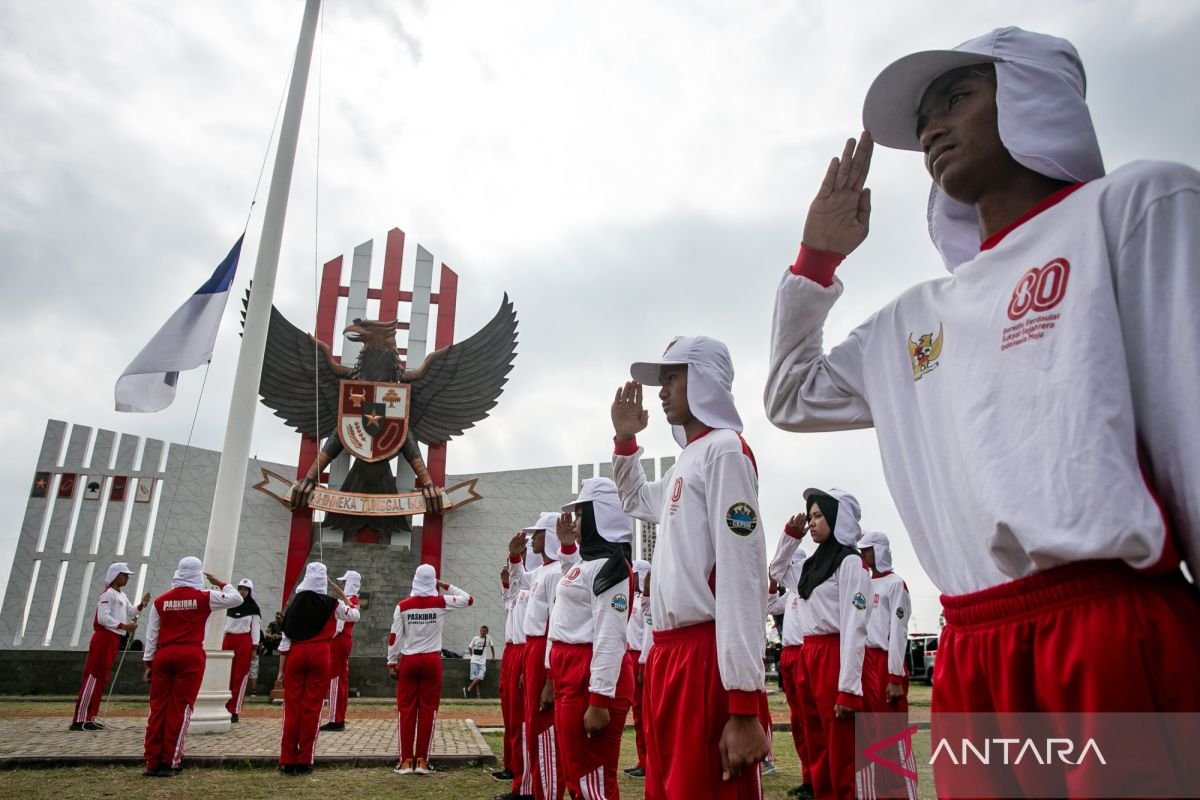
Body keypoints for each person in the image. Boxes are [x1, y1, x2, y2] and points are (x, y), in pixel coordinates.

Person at [764, 25, 1200, 797]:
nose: (930, 128)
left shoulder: (1137, 207)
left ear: (1035, 98)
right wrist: (816, 260)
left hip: (1105, 635)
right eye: (924, 115)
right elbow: (791, 396)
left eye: (957, 97)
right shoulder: (914, 318)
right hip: (972, 658)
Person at [610, 335, 770, 799]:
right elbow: (637, 499)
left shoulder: (725, 451)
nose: (661, 391)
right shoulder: (688, 460)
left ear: (703, 379)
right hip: (667, 656)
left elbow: (743, 575)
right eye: (661, 380)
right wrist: (625, 440)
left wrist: (743, 704)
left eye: (671, 377)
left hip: (704, 659)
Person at [548, 478, 635, 800]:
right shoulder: (589, 565)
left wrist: (599, 701)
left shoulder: (613, 568)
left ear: (602, 517)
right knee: (576, 770)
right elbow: (576, 591)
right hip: (570, 672)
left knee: (592, 778)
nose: (577, 523)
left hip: (590, 675)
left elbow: (611, 635)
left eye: (583, 516)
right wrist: (568, 546)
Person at [783, 490, 869, 800]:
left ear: (837, 518)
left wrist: (849, 687)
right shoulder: (812, 565)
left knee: (840, 746)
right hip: (809, 654)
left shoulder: (850, 564)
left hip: (834, 654)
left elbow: (855, 626)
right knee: (816, 739)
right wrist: (791, 536)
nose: (813, 522)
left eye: (819, 516)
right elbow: (778, 571)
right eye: (811, 515)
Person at [141, 557, 241, 777]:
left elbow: (151, 636)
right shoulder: (204, 597)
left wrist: (148, 663)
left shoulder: (160, 601)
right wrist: (221, 582)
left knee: (158, 708)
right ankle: (171, 760)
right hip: (190, 653)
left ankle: (152, 761)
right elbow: (236, 599)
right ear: (197, 574)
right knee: (181, 707)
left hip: (163, 653)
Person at [387, 563, 473, 776]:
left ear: (415, 580)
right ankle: (423, 761)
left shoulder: (403, 606)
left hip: (408, 660)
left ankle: (406, 761)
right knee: (428, 711)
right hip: (432, 660)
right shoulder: (440, 602)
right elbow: (468, 599)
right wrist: (444, 585)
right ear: (433, 581)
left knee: (406, 711)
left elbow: (394, 637)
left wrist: (391, 662)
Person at [277, 562, 360, 775]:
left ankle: (287, 760)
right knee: (312, 707)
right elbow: (355, 615)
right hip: (321, 653)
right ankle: (305, 760)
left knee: (292, 707)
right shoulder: (332, 604)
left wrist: (280, 670)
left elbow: (285, 641)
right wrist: (342, 595)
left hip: (296, 654)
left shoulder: (294, 604)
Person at [857, 531, 914, 799]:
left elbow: (899, 631)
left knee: (891, 735)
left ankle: (901, 793)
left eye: (866, 550)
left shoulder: (896, 584)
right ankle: (878, 792)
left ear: (878, 550)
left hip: (886, 664)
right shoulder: (864, 584)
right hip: (865, 663)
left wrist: (894, 676)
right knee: (870, 733)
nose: (863, 556)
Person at [512, 512, 565, 800]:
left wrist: (548, 677)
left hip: (544, 645)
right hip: (531, 647)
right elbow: (520, 581)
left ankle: (548, 791)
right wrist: (514, 556)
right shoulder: (543, 570)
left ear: (551, 536)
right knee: (531, 723)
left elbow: (556, 622)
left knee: (544, 727)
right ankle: (533, 788)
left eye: (538, 534)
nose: (532, 539)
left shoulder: (557, 571)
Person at [71, 562, 148, 731]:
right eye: (124, 575)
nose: (127, 578)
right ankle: (80, 718)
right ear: (115, 576)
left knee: (102, 677)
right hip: (104, 637)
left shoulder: (121, 595)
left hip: (114, 638)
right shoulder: (107, 595)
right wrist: (124, 626)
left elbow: (131, 611)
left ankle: (90, 716)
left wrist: (142, 604)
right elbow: (103, 619)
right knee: (93, 676)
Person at [767, 531, 812, 799]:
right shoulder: (793, 596)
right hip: (790, 656)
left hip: (808, 654)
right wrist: (773, 584)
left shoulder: (810, 590)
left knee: (811, 719)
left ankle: (818, 778)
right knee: (799, 721)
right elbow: (771, 605)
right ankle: (808, 776)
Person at [322, 570, 362, 732]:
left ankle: (335, 718)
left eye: (345, 582)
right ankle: (338, 716)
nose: (343, 585)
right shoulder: (354, 600)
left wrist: (326, 638)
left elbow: (338, 627)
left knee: (335, 679)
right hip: (344, 640)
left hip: (338, 640)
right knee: (340, 679)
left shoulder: (349, 601)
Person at [623, 558, 652, 779]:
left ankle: (648, 761)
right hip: (629, 656)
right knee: (637, 713)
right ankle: (642, 759)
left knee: (644, 713)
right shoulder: (631, 600)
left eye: (634, 574)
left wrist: (642, 665)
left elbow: (648, 636)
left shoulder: (647, 602)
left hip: (641, 659)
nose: (630, 577)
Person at [222, 578, 261, 722]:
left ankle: (234, 710)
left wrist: (254, 647)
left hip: (244, 641)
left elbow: (255, 628)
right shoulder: (229, 605)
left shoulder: (254, 608)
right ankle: (222, 705)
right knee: (225, 675)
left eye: (245, 589)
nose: (242, 591)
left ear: (250, 591)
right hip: (228, 639)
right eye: (240, 589)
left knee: (240, 676)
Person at [465, 625, 496, 699]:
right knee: (476, 678)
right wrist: (472, 656)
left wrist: (493, 656)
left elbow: (492, 647)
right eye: (482, 630)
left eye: (484, 631)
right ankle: (478, 695)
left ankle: (468, 689)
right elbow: (469, 647)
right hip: (474, 661)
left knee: (481, 675)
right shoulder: (475, 638)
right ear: (480, 631)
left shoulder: (488, 638)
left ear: (487, 632)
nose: (483, 632)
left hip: (482, 662)